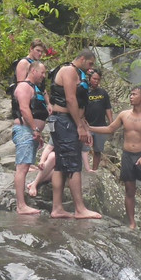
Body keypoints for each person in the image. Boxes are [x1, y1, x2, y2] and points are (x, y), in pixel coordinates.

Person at [91, 85, 141, 231]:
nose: (131, 96)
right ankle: (132, 223)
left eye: (134, 94)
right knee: (129, 190)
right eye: (130, 94)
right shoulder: (124, 114)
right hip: (127, 155)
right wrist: (89, 128)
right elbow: (110, 129)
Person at [48, 49, 101, 219]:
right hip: (64, 120)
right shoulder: (69, 71)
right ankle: (80, 209)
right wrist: (79, 126)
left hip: (63, 120)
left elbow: (79, 104)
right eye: (90, 64)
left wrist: (84, 124)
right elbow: (71, 99)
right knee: (73, 163)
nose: (91, 68)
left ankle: (57, 208)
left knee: (61, 165)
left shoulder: (75, 72)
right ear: (83, 59)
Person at [10, 62, 48, 215]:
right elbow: (24, 109)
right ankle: (21, 206)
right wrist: (35, 130)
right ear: (33, 70)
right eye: (42, 73)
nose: (44, 76)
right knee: (22, 167)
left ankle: (22, 204)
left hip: (30, 131)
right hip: (25, 130)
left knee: (25, 167)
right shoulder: (24, 87)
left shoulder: (34, 88)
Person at [82, 69, 113, 172]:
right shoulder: (84, 92)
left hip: (101, 126)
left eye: (98, 79)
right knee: (84, 149)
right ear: (89, 78)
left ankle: (94, 170)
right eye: (94, 79)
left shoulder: (103, 92)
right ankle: (84, 169)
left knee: (98, 150)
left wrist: (111, 123)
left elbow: (108, 108)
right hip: (87, 126)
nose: (96, 81)